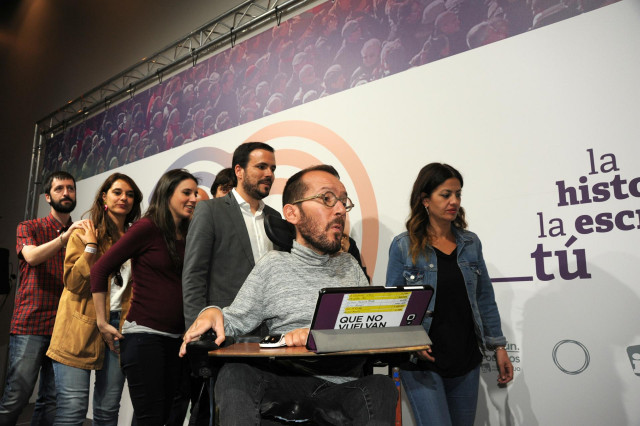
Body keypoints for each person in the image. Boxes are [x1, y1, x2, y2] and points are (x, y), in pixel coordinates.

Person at [181, 165, 398, 425]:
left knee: (381, 386)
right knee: (235, 374)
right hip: (285, 383)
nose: (340, 209)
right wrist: (212, 312)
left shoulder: (350, 266)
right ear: (292, 213)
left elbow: (373, 327)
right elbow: (233, 320)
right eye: (327, 199)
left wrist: (319, 334)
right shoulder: (273, 265)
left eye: (342, 201)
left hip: (342, 388)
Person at [385, 163, 513, 426]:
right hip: (422, 361)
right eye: (446, 195)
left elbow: (484, 298)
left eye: (458, 194)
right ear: (425, 200)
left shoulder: (470, 243)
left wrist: (499, 346)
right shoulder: (403, 246)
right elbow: (394, 306)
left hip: (465, 359)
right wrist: (413, 341)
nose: (454, 201)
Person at [91, 169, 198, 425]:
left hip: (179, 341)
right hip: (144, 338)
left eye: (195, 193)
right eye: (187, 192)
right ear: (167, 193)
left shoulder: (189, 233)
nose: (194, 198)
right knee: (151, 418)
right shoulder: (147, 227)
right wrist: (102, 322)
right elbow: (100, 269)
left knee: (169, 417)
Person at [46, 173, 142, 425]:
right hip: (78, 327)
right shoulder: (85, 232)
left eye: (130, 194)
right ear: (104, 197)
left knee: (108, 410)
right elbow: (75, 284)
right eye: (118, 192)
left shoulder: (137, 239)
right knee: (72, 410)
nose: (124, 198)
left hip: (118, 330)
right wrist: (90, 247)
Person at [0, 171, 85, 425]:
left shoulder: (80, 233)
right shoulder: (30, 227)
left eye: (70, 188)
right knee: (17, 395)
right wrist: (63, 238)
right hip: (30, 324)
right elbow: (32, 257)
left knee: (51, 399)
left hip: (64, 328)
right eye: (59, 189)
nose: (66, 193)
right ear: (48, 197)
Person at [182, 142, 281, 328]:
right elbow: (194, 276)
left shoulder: (275, 217)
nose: (269, 174)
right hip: (225, 329)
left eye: (272, 168)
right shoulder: (210, 210)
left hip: (271, 330)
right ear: (239, 171)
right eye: (261, 166)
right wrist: (196, 330)